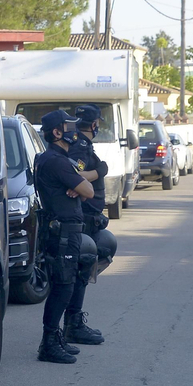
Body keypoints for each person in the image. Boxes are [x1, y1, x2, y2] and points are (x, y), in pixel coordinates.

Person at [33, 110, 96, 364]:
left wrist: (76, 185)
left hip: (64, 230)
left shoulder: (53, 159)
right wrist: (78, 184)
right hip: (61, 233)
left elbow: (81, 191)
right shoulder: (57, 161)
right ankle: (48, 343)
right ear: (57, 133)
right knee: (62, 285)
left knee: (67, 281)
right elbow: (89, 190)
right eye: (68, 126)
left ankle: (57, 336)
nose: (74, 130)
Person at [64, 104, 119, 342]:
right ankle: (72, 325)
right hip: (82, 219)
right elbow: (73, 174)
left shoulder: (81, 144)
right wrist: (99, 172)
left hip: (90, 219)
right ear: (95, 124)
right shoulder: (80, 146)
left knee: (89, 264)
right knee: (80, 269)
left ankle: (72, 323)